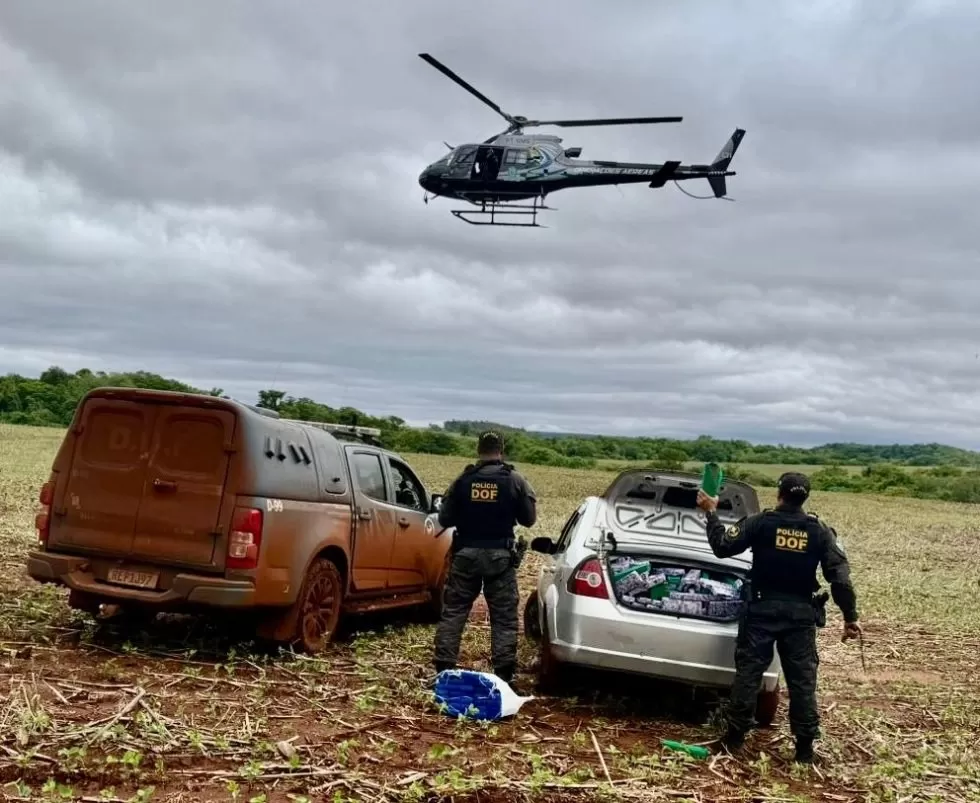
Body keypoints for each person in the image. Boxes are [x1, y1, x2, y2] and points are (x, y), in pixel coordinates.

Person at [696, 471, 862, 764]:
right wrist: (850, 617)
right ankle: (805, 750)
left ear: (779, 494)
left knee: (749, 675)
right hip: (800, 615)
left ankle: (734, 740)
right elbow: (841, 580)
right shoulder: (820, 531)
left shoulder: (761, 522)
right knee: (802, 682)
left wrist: (711, 512)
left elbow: (722, 546)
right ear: (805, 497)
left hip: (761, 610)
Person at [432, 430, 537, 685]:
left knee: (454, 611)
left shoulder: (464, 479)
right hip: (500, 558)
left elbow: (444, 518)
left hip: (465, 554)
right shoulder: (514, 480)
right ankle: (504, 675)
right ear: (501, 450)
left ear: (479, 450)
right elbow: (529, 519)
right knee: (504, 617)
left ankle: (443, 669)